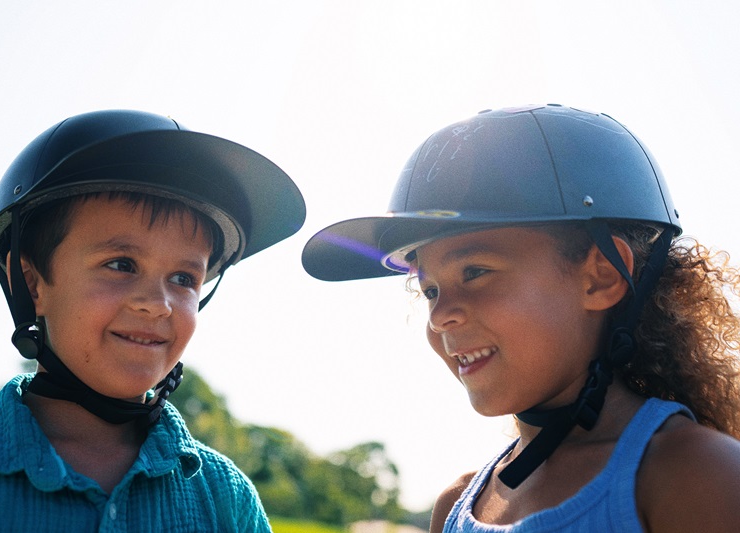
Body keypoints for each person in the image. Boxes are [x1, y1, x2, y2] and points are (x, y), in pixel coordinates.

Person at [301, 104, 740, 532]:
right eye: (430, 290)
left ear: (600, 277)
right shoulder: (455, 506)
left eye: (474, 272)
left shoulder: (692, 476)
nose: (439, 317)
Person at [0, 110, 306, 531]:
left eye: (184, 278)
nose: (158, 304)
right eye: (121, 264)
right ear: (32, 284)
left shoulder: (227, 497)